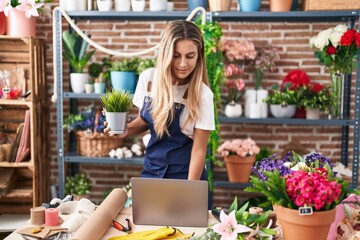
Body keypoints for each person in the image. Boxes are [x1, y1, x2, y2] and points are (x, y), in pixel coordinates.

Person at [106, 20, 215, 182]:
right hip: (153, 172)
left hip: (186, 175)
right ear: (166, 54)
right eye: (176, 56)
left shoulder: (202, 94)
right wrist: (127, 129)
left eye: (190, 56)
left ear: (199, 56)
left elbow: (199, 150)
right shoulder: (148, 79)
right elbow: (146, 119)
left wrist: (190, 189)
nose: (183, 64)